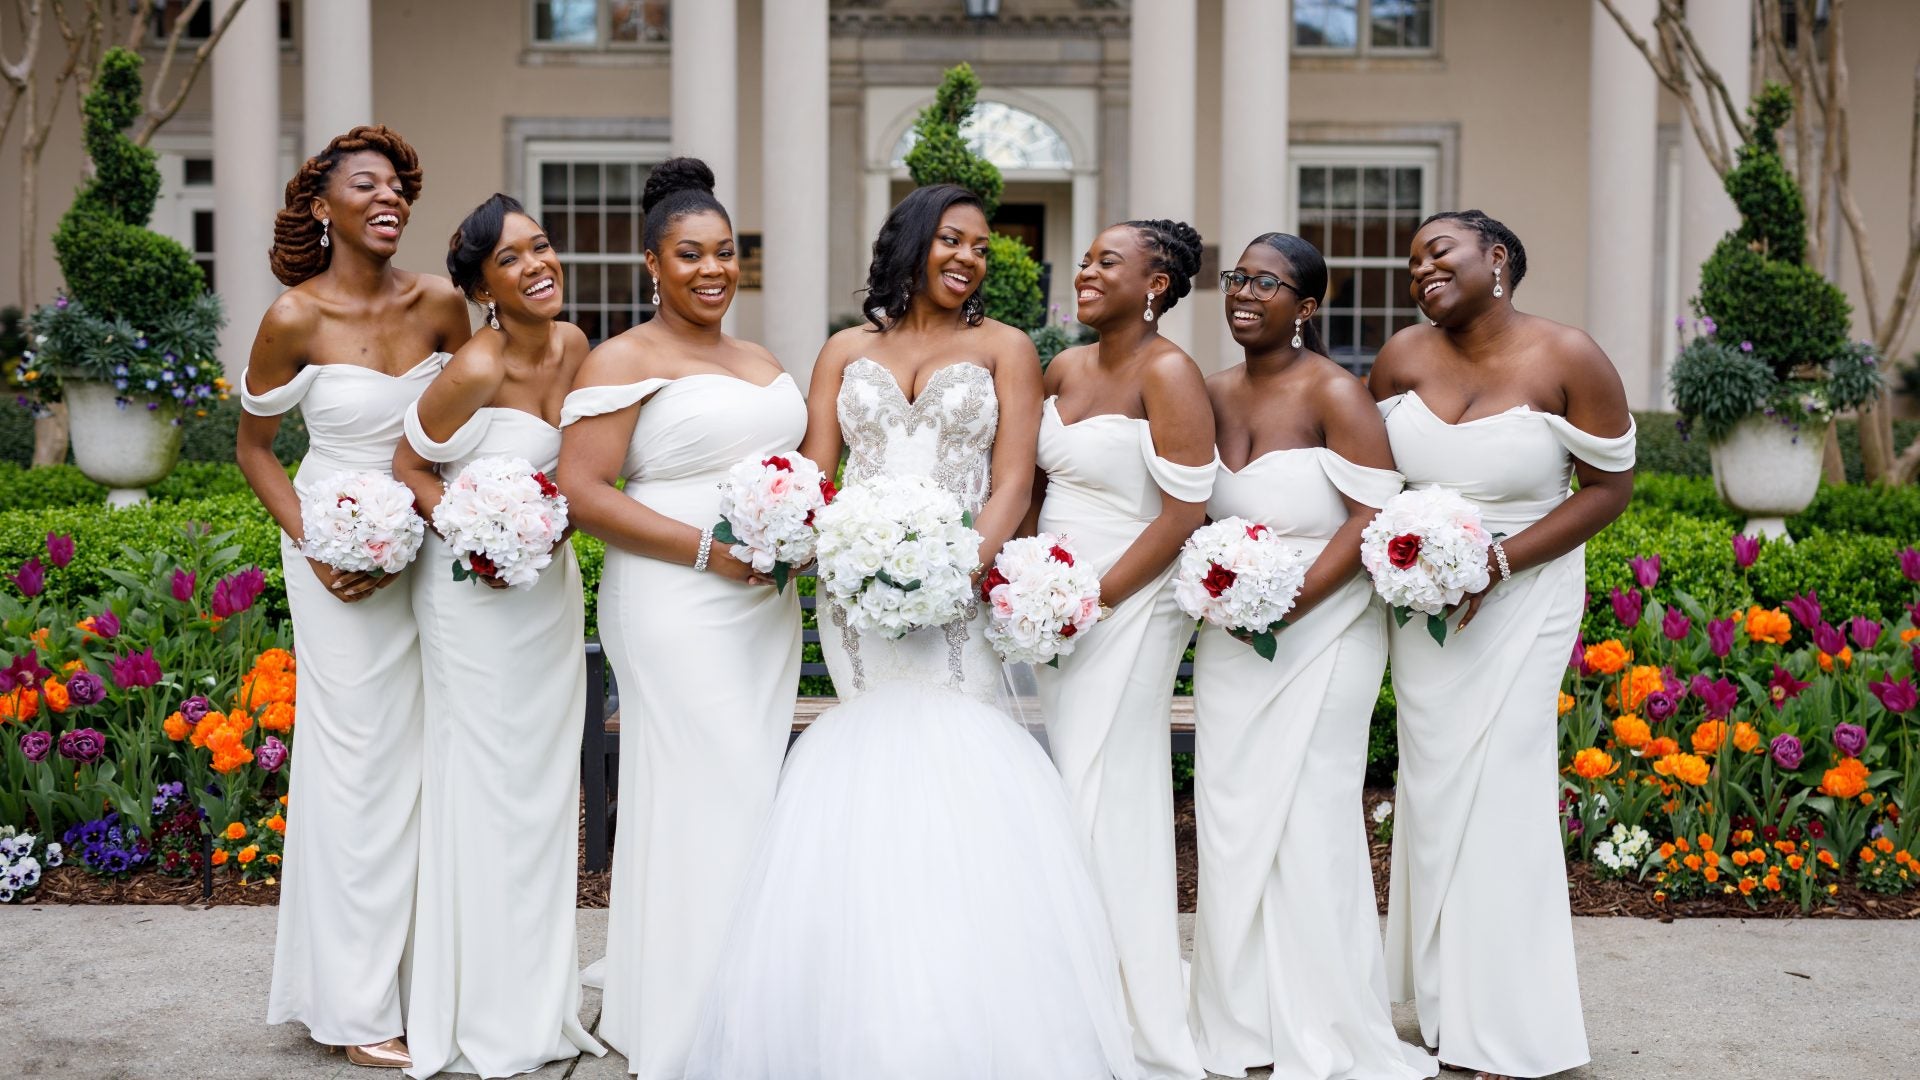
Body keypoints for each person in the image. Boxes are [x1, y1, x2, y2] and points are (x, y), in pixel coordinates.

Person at [683, 183, 1138, 1080]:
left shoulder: (1007, 347)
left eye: (981, 245)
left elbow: (1012, 480)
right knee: (865, 763)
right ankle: (854, 1001)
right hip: (855, 588)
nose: (968, 256)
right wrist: (794, 525)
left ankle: (970, 1006)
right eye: (952, 240)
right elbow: (821, 464)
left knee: (957, 761)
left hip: (959, 582)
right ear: (911, 244)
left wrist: (965, 558)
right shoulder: (845, 349)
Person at [556, 158, 805, 1080]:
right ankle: (694, 1006)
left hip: (762, 606)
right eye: (689, 254)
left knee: (744, 786)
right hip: (674, 598)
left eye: (726, 252)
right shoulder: (620, 358)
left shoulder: (763, 361)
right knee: (710, 784)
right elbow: (580, 491)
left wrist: (804, 531)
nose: (712, 269)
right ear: (651, 263)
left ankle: (742, 982)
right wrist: (711, 552)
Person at [1371, 210, 1633, 1080]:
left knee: (1504, 794)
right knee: (1438, 794)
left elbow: (1608, 488)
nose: (1421, 269)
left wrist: (1497, 562)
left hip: (1525, 595)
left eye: (1436, 251)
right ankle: (1446, 1005)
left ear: (1498, 258)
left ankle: (1514, 1027)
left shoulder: (1569, 356)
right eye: (1412, 262)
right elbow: (1367, 482)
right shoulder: (1402, 357)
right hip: (1426, 608)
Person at [238, 126, 470, 1069]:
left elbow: (482, 416)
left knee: (431, 758)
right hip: (335, 560)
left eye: (398, 188)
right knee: (359, 768)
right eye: (365, 186)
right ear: (322, 207)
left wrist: (484, 516)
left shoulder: (445, 306)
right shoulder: (292, 319)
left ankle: (429, 980)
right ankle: (353, 1001)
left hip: (429, 547)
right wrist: (318, 543)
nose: (388, 200)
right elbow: (255, 451)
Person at [1189, 233, 1437, 1080]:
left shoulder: (1337, 392)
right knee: (1229, 817)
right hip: (1233, 637)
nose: (1245, 293)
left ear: (1309, 305)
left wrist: (1288, 600)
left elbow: (1374, 515)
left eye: (1268, 282)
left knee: (1311, 812)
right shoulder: (1209, 392)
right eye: (1237, 279)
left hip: (1326, 627)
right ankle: (1241, 1018)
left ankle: (1323, 1020)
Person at [392, 194, 604, 1079]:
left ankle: (541, 1000)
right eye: (512, 259)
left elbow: (582, 469)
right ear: (482, 284)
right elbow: (409, 469)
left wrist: (541, 532)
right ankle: (481, 1008)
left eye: (542, 246)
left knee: (547, 793)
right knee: (486, 789)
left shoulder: (579, 346)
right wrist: (478, 532)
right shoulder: (474, 368)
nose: (537, 265)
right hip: (473, 598)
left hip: (547, 594)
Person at [1029, 219, 1215, 1080]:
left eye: (1110, 261)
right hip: (1053, 606)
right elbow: (1034, 487)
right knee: (1070, 785)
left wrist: (1091, 599)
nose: (1086, 271)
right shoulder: (1065, 367)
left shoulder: (1170, 372)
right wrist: (1026, 582)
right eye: (1087, 259)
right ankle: (1067, 978)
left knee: (1110, 784)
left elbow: (1182, 516)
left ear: (1157, 282)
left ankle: (1125, 994)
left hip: (1130, 602)